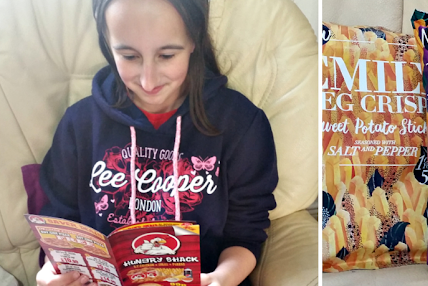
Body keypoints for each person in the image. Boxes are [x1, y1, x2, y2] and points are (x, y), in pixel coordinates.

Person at [35, 0, 277, 285]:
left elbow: (246, 234)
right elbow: (61, 227)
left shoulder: (241, 123)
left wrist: (220, 280)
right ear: (108, 45)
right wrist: (49, 275)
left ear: (193, 40)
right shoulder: (80, 123)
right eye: (128, 56)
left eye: (166, 55)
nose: (148, 81)